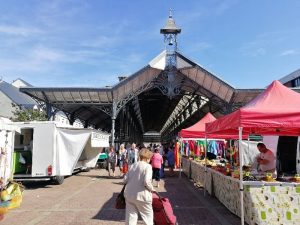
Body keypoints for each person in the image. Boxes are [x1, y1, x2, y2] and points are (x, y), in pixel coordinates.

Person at [124, 148, 154, 225]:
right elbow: (147, 181)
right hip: (143, 196)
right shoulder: (148, 166)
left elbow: (124, 179)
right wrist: (152, 189)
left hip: (130, 194)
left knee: (131, 218)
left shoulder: (132, 165)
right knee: (148, 218)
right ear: (148, 158)